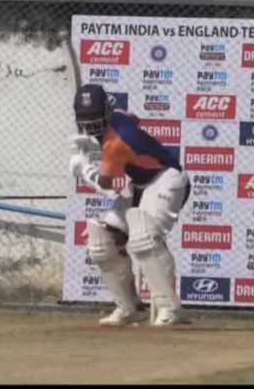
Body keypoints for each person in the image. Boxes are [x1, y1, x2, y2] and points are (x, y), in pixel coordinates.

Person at [68, 84, 190, 327]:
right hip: (141, 182)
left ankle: (170, 309)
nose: (90, 124)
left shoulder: (117, 144)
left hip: (166, 178)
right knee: (101, 238)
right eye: (84, 118)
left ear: (106, 111)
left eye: (94, 117)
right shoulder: (118, 118)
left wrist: (85, 169)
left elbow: (108, 184)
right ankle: (130, 308)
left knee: (144, 238)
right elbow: (131, 118)